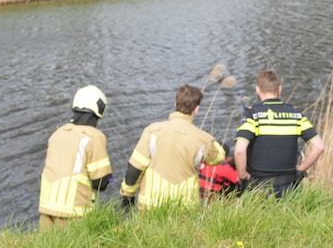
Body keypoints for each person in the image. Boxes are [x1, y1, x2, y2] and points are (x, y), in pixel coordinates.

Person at [119, 85, 225, 211]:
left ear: (175, 103)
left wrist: (128, 194)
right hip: (185, 207)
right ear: (196, 109)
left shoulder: (152, 131)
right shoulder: (202, 139)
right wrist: (210, 139)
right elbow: (218, 157)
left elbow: (135, 167)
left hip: (151, 203)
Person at [233, 69, 325, 198]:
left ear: (257, 89)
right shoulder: (296, 114)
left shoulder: (252, 115)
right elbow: (319, 146)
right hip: (290, 187)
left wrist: (242, 176)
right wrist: (300, 168)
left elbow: (239, 151)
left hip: (259, 187)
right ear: (279, 89)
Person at [39, 85, 113, 229]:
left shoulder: (57, 134)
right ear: (98, 110)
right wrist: (111, 178)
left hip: (46, 208)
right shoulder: (94, 136)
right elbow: (101, 183)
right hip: (73, 211)